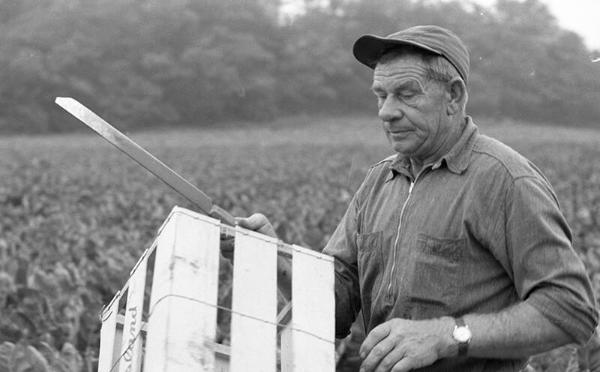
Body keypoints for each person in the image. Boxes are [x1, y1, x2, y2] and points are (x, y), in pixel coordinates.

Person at [228, 25, 599, 371]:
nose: (387, 112)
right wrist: (274, 258)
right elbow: (337, 309)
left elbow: (570, 309)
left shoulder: (505, 180)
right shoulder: (378, 181)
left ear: (453, 95)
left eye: (406, 94)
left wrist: (446, 335)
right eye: (381, 96)